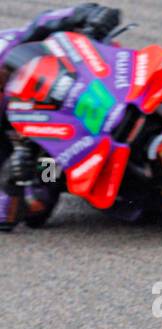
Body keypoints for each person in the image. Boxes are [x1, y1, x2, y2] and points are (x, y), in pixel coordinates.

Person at [0, 5, 121, 231]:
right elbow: (11, 215)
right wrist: (12, 183)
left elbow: (46, 21)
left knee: (134, 64)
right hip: (55, 150)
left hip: (82, 86)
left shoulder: (6, 45)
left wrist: (89, 15)